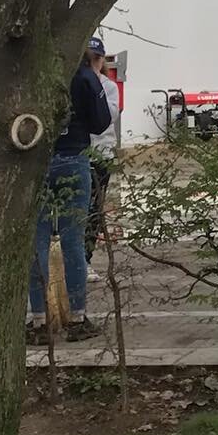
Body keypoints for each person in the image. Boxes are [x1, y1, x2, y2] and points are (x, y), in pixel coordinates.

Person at [27, 44, 112, 344]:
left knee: (36, 240)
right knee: (73, 239)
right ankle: (77, 319)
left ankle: (38, 321)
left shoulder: (32, 68)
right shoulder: (84, 76)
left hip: (36, 160)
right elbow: (102, 121)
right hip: (73, 157)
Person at [84, 38, 121, 268]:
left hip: (101, 155)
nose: (93, 64)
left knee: (94, 210)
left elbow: (109, 116)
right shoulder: (76, 82)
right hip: (79, 152)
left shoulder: (108, 86)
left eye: (96, 59)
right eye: (89, 59)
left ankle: (86, 259)